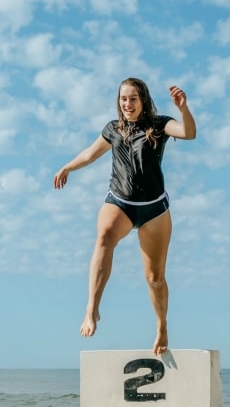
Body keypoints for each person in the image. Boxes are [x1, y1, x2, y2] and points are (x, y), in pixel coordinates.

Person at [54, 79, 197, 354]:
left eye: (133, 99)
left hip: (154, 209)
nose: (127, 104)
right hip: (119, 202)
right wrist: (67, 168)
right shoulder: (113, 129)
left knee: (155, 278)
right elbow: (89, 154)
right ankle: (92, 308)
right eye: (123, 99)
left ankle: (161, 326)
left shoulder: (159, 124)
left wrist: (183, 108)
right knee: (105, 236)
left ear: (142, 100)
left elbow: (188, 133)